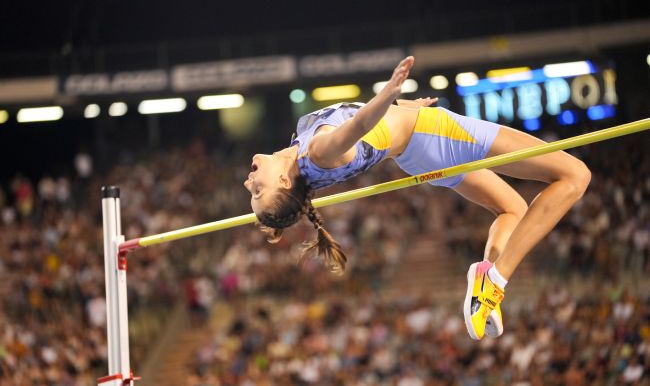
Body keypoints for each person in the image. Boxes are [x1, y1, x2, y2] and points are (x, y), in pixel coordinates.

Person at [243, 56, 591, 340]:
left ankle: (486, 278)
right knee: (575, 175)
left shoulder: (301, 153)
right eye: (259, 190)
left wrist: (400, 108)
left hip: (417, 152)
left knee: (512, 208)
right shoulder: (318, 153)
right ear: (285, 181)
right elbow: (359, 125)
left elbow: (364, 125)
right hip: (433, 134)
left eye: (252, 191)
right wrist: (388, 94)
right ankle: (495, 281)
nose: (249, 183)